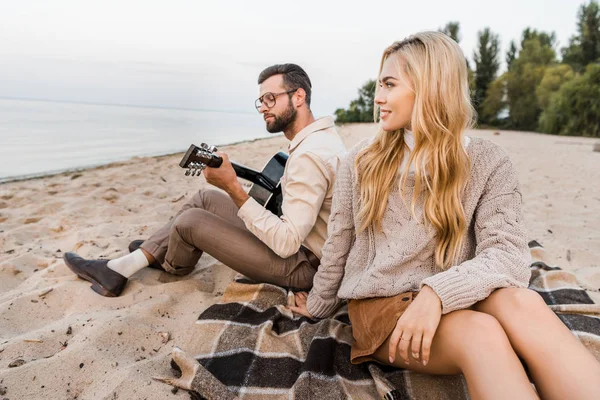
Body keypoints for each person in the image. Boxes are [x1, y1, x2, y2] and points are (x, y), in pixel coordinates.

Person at [289, 32, 600, 399]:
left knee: (523, 301)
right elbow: (339, 243)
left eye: (390, 84)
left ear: (430, 87)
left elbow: (509, 255)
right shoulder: (360, 160)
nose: (378, 97)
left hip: (455, 289)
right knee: (480, 335)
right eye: (379, 84)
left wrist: (436, 294)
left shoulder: (489, 161)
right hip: (382, 303)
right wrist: (319, 304)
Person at [63, 63, 347, 297]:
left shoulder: (309, 156)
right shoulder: (320, 138)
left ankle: (145, 264)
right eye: (261, 100)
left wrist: (233, 188)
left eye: (271, 99)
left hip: (304, 264)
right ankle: (146, 256)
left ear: (298, 97)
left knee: (190, 222)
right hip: (302, 243)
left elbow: (286, 242)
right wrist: (233, 187)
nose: (263, 107)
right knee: (204, 199)